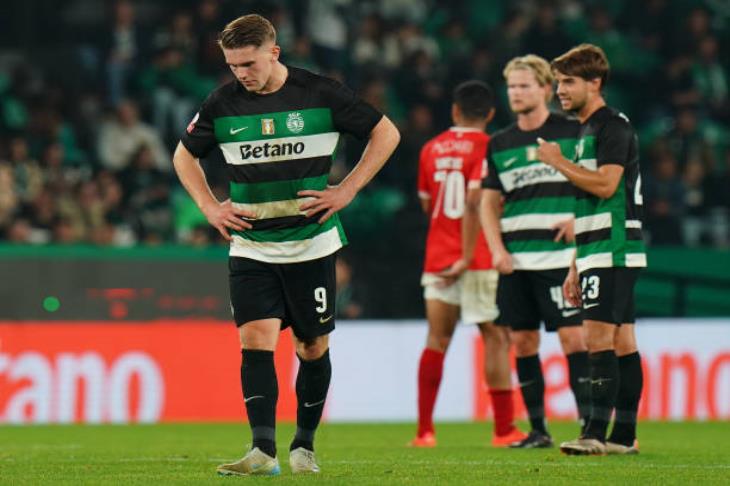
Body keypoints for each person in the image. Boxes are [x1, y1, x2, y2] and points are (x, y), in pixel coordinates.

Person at [172, 14, 400, 475]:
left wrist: (348, 189)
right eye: (233, 65)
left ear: (274, 52)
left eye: (249, 63)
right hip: (252, 247)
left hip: (311, 244)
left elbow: (386, 133)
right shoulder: (222, 103)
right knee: (254, 340)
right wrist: (211, 207)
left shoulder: (320, 93)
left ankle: (304, 445)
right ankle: (262, 451)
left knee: (311, 346)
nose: (241, 74)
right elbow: (184, 155)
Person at [536, 44, 645, 455]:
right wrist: (574, 264)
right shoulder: (586, 128)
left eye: (568, 81)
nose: (559, 89)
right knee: (623, 341)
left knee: (596, 337)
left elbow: (605, 186)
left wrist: (557, 161)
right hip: (598, 246)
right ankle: (623, 437)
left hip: (614, 244)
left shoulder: (611, 126)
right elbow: (589, 201)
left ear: (594, 83)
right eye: (559, 81)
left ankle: (595, 433)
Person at [480, 55, 590, 449]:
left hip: (563, 261)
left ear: (546, 89)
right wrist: (496, 249)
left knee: (574, 341)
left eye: (525, 86)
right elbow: (488, 204)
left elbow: (598, 185)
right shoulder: (501, 143)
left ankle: (587, 427)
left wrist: (581, 222)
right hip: (516, 261)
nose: (517, 93)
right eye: (512, 87)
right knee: (523, 343)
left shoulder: (573, 132)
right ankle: (539, 430)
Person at [410, 80, 526, 449]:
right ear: (490, 114)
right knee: (495, 336)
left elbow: (429, 205)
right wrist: (467, 252)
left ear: (455, 111)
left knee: (436, 339)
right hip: (478, 257)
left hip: (438, 256)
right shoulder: (492, 146)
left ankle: (425, 432)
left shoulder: (431, 149)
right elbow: (480, 202)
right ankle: (504, 430)